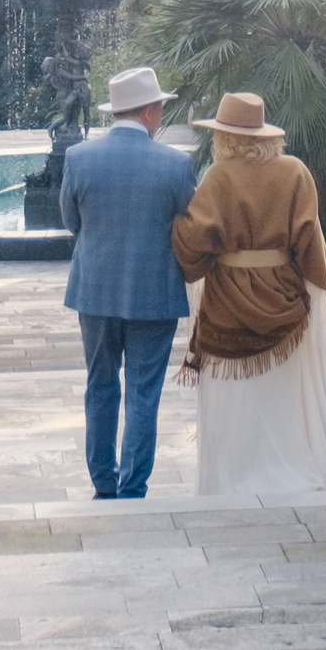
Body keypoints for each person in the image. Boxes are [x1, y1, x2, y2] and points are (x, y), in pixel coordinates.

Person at [171, 89, 326, 499]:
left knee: (236, 403)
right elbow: (310, 243)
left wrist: (173, 222)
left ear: (224, 138)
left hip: (227, 304)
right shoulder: (295, 172)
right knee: (283, 397)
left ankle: (234, 477)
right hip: (285, 299)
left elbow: (193, 242)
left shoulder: (218, 177)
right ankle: (292, 470)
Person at [57, 66, 196, 499]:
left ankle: (103, 480)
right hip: (155, 294)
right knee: (143, 391)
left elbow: (71, 222)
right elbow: (190, 226)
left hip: (94, 292)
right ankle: (133, 485)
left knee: (100, 384)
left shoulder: (78, 158)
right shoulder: (177, 164)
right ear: (150, 112)